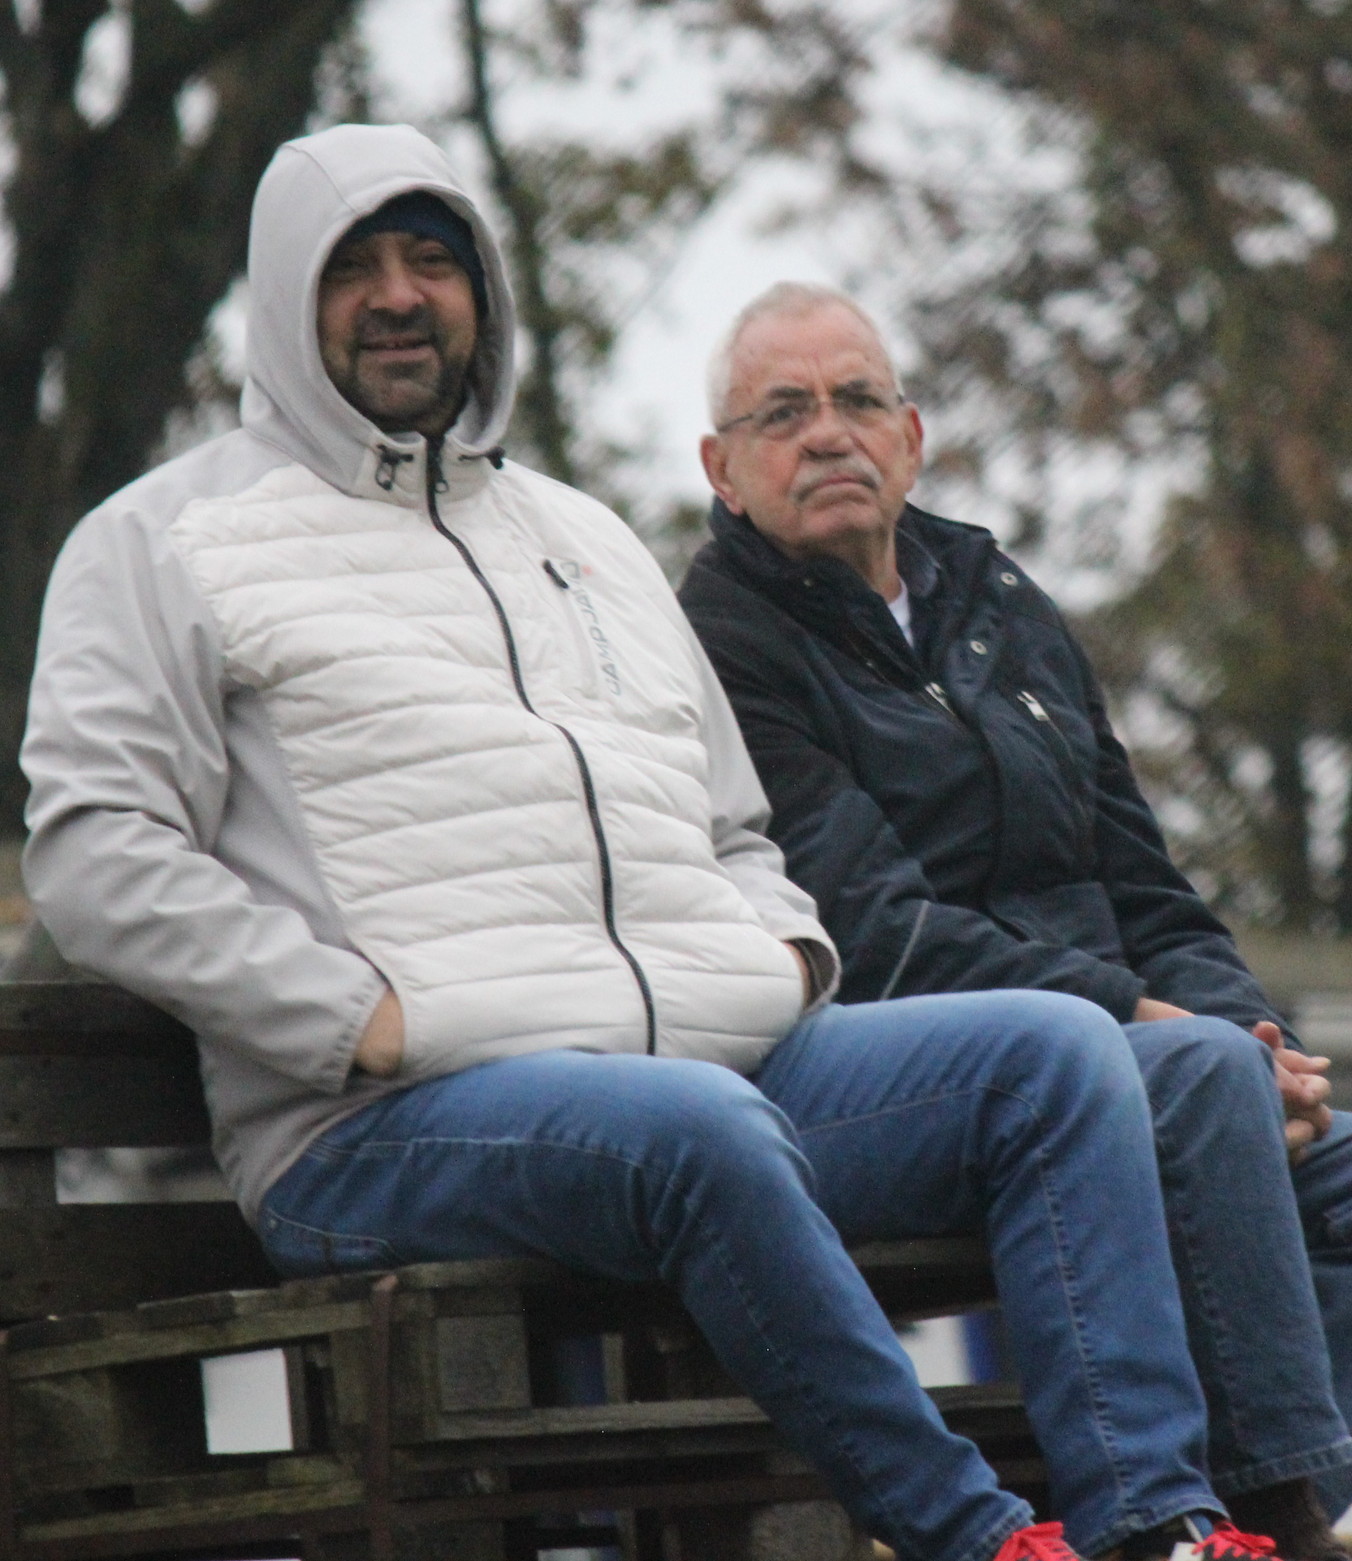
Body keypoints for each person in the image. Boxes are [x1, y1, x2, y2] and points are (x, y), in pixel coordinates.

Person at [20, 125, 1287, 1561]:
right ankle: (978, 1540)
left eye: (432, 259)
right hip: (387, 1122)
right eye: (351, 267)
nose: (398, 295)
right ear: (283, 296)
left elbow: (733, 822)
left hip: (711, 1071)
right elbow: (96, 850)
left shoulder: (586, 539)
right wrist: (347, 1014)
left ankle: (1154, 1527)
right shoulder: (163, 541)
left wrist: (783, 955)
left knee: (1055, 1054)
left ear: (482, 294)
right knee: (701, 1130)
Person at [678, 281, 1352, 1556]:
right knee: (1195, 1073)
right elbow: (873, 928)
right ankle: (1274, 1519)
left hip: (1155, 1059)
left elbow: (1142, 880)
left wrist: (1257, 1038)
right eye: (782, 413)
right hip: (924, 1073)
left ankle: (1211, 1525)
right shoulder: (719, 641)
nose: (828, 434)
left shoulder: (997, 601)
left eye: (856, 400)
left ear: (911, 435)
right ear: (721, 469)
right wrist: (1143, 1016)